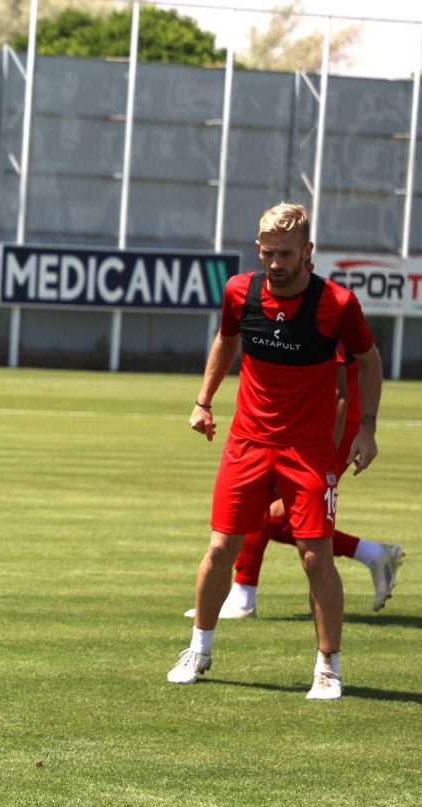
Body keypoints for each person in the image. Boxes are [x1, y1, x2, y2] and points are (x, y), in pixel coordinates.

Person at [167, 201, 383, 701]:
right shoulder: (238, 291)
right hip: (246, 443)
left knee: (315, 559)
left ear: (307, 252)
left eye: (285, 254)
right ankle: (198, 649)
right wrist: (203, 400)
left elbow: (369, 360)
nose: (275, 264)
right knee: (220, 549)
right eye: (267, 253)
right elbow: (227, 339)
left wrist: (367, 430)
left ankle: (327, 667)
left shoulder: (337, 304)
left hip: (307, 450)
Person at [186, 345, 404, 620]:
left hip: (330, 426)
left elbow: (346, 383)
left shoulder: (326, 318)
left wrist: (350, 439)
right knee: (269, 511)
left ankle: (243, 596)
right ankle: (373, 554)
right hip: (303, 423)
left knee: (268, 508)